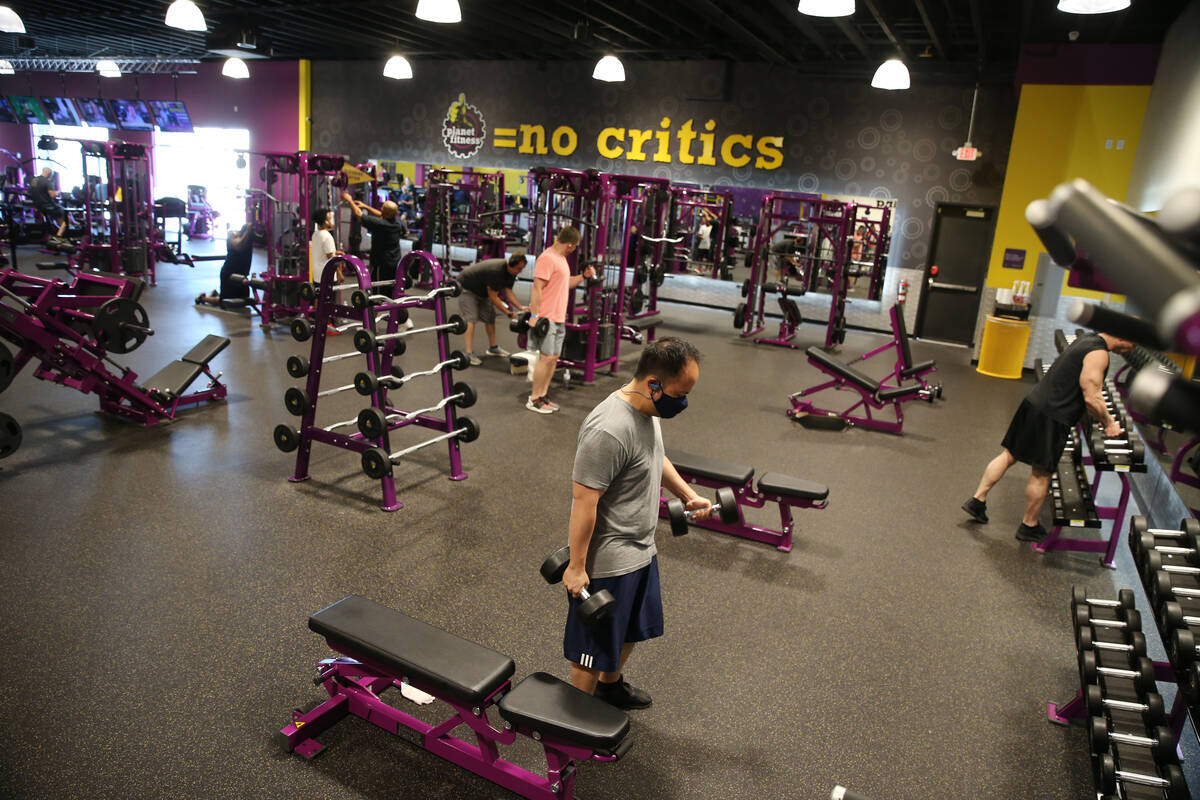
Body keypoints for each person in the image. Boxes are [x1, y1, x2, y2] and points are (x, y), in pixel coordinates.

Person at [561, 337, 712, 708]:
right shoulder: (608, 429)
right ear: (653, 384)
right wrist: (577, 567)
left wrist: (686, 494)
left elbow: (654, 457)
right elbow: (584, 503)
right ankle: (575, 719)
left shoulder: (648, 411)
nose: (684, 402)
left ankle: (610, 687)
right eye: (681, 393)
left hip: (642, 547)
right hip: (609, 559)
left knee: (630, 628)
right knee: (591, 646)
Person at [962, 330, 1135, 541]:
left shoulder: (1086, 339)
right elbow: (1092, 396)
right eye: (1131, 344)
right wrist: (1109, 423)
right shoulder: (1099, 353)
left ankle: (977, 500)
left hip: (1034, 403)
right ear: (1121, 336)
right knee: (1042, 473)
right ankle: (1029, 525)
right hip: (1053, 416)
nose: (1131, 349)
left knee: (1009, 455)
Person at [525, 226, 595, 414]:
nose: (574, 250)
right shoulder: (547, 258)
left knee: (554, 358)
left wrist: (583, 276)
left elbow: (566, 283)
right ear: (569, 244)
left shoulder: (562, 259)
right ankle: (534, 398)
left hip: (559, 317)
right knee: (546, 358)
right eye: (575, 247)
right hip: (546, 317)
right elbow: (537, 288)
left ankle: (543, 394)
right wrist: (534, 315)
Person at [456, 254, 528, 365]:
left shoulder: (512, 272)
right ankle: (469, 353)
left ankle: (493, 348)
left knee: (490, 318)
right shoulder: (496, 271)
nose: (520, 271)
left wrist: (520, 307)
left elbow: (508, 291)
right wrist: (507, 312)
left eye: (522, 268)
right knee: (471, 318)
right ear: (510, 265)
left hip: (482, 291)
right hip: (467, 287)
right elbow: (493, 297)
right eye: (519, 268)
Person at [342, 191, 405, 282]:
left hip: (382, 264)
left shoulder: (381, 224)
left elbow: (359, 215)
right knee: (390, 285)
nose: (381, 209)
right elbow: (380, 214)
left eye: (382, 208)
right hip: (393, 262)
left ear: (386, 213)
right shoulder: (397, 222)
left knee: (379, 287)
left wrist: (349, 200)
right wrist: (365, 206)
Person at [195, 224, 255, 307]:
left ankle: (216, 294)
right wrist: (249, 230)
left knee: (242, 300)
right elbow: (238, 246)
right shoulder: (232, 235)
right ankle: (202, 298)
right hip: (229, 274)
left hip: (241, 275)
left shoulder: (248, 238)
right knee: (224, 302)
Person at [29, 167, 68, 242]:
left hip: (38, 206)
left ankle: (55, 233)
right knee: (66, 218)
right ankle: (59, 236)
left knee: (58, 216)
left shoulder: (34, 180)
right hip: (48, 206)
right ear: (49, 173)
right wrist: (57, 192)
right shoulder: (47, 182)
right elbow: (52, 195)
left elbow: (31, 192)